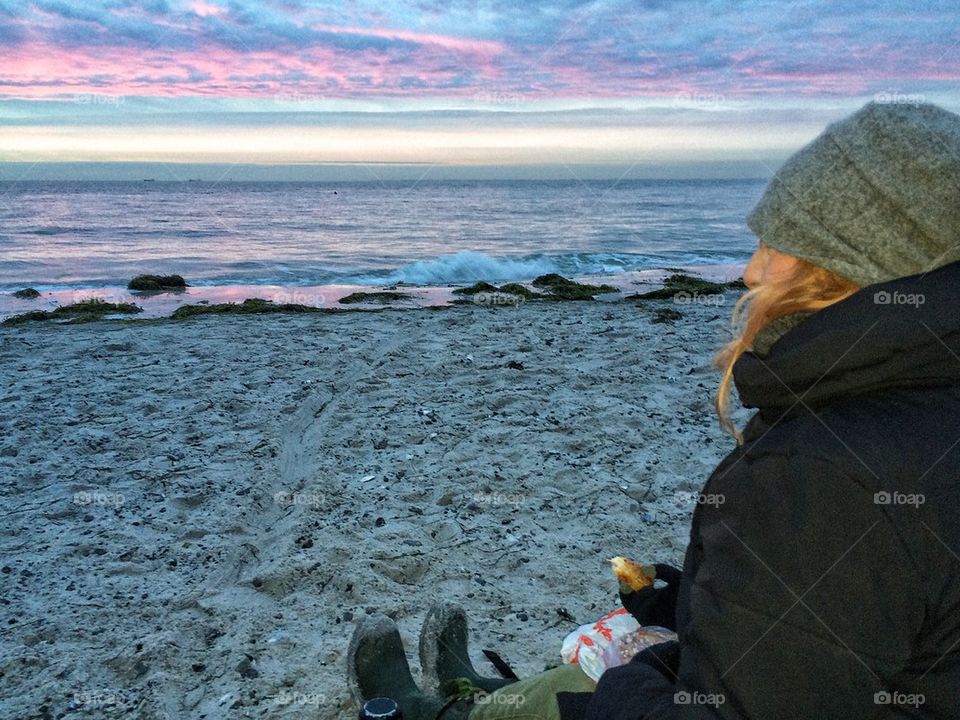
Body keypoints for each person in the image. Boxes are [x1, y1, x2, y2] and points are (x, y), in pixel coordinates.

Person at [347, 100, 960, 719]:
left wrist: (632, 680)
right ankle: (490, 700)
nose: (750, 272)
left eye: (779, 247)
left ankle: (447, 714)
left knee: (603, 676)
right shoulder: (916, 402)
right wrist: (693, 604)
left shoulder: (825, 475)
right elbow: (861, 621)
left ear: (851, 267)